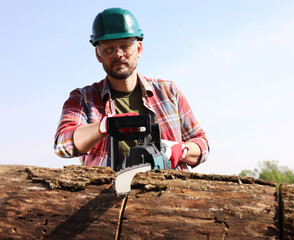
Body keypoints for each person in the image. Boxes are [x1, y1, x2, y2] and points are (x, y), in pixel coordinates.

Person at [54, 8, 209, 171]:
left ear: (139, 49)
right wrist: (104, 126)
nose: (118, 54)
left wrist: (180, 150)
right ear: (98, 55)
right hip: (108, 193)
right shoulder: (83, 99)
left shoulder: (169, 92)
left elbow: (202, 144)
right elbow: (63, 143)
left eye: (125, 46)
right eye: (108, 49)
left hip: (168, 193)